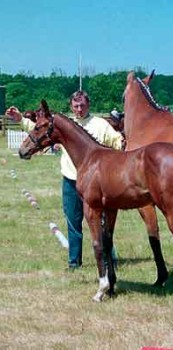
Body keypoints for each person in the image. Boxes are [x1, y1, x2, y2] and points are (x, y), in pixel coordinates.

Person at [6, 91, 124, 270]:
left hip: (98, 183)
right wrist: (20, 119)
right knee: (73, 222)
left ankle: (109, 257)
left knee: (103, 222)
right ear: (71, 107)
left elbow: (117, 141)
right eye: (76, 106)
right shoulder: (66, 125)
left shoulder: (101, 124)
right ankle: (74, 261)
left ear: (88, 105)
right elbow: (40, 129)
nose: (79, 109)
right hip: (72, 180)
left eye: (82, 105)